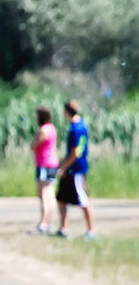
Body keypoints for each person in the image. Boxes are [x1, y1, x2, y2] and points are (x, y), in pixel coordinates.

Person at [55, 99, 96, 239]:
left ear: (67, 112)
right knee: (61, 198)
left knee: (83, 199)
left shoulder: (75, 129)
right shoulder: (82, 125)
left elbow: (75, 152)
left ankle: (91, 231)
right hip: (75, 166)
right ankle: (64, 228)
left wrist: (64, 167)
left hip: (76, 169)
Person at [29, 106, 59, 234]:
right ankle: (48, 222)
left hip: (44, 164)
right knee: (50, 194)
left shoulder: (43, 130)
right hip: (52, 163)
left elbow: (34, 145)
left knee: (44, 194)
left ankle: (43, 223)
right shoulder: (52, 128)